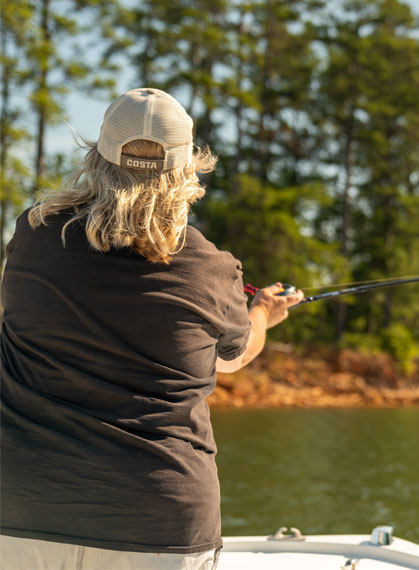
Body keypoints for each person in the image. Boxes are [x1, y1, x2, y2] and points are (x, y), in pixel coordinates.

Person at [0, 87, 303, 569]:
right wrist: (263, 310)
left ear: (95, 157)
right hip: (162, 524)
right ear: (187, 172)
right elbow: (233, 357)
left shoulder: (34, 236)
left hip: (21, 512)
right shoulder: (211, 268)